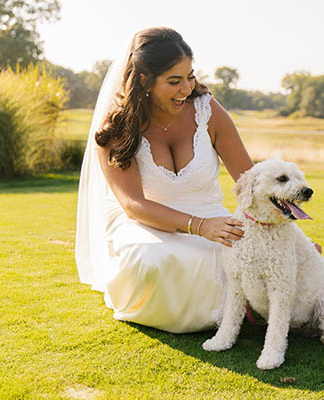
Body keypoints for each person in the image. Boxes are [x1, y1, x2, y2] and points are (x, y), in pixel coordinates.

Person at [75, 27, 253, 333]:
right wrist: (200, 227)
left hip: (211, 213)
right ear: (145, 80)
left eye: (190, 76)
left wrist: (290, 240)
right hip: (143, 222)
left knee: (252, 252)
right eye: (174, 81)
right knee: (155, 259)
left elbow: (251, 182)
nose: (187, 88)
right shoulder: (117, 126)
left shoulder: (208, 111)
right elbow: (133, 204)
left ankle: (246, 307)